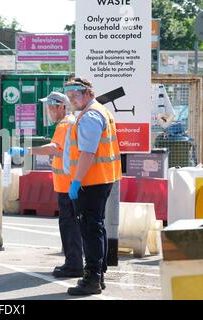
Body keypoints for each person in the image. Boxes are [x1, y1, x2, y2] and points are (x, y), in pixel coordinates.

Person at [62, 78, 121, 296]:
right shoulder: (99, 112)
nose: (71, 99)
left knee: (90, 229)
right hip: (99, 180)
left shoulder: (90, 116)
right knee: (96, 227)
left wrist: (76, 181)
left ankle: (92, 278)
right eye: (69, 96)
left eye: (75, 94)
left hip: (90, 182)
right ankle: (98, 275)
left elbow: (87, 153)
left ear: (87, 93)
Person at [29, 92, 83, 278]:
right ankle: (74, 262)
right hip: (69, 183)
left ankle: (73, 265)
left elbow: (54, 148)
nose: (49, 111)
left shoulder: (64, 124)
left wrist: (28, 150)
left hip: (67, 184)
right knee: (71, 225)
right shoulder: (70, 122)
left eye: (51, 107)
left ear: (60, 106)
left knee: (69, 226)